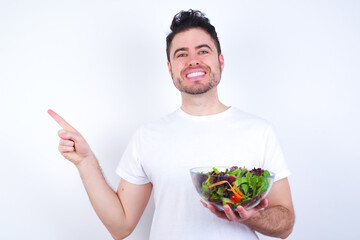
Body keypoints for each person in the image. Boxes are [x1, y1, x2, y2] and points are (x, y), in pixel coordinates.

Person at [48, 9, 295, 240]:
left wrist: (253, 217)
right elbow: (120, 226)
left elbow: (285, 224)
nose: (193, 60)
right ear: (170, 68)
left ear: (221, 61)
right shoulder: (147, 136)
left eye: (203, 50)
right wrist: (86, 162)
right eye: (181, 54)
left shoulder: (259, 131)